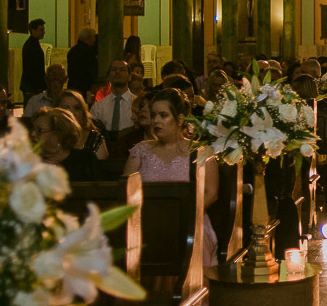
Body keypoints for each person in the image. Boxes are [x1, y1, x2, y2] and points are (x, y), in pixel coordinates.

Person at [124, 89, 217, 267]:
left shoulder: (201, 151)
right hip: (146, 223)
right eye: (154, 115)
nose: (156, 121)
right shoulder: (141, 150)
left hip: (190, 222)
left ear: (180, 119)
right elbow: (126, 190)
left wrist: (181, 218)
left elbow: (210, 193)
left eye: (163, 115)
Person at [29, 107, 99, 182]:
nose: (33, 134)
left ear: (59, 133)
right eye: (33, 129)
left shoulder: (84, 160)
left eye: (40, 130)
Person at [57, 89, 109, 162]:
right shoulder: (49, 137)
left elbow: (101, 167)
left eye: (77, 108)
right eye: (65, 108)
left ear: (83, 113)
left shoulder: (94, 139)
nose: (72, 112)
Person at [91, 60, 135, 141]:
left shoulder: (137, 103)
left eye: (122, 70)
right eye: (114, 69)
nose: (117, 72)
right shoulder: (98, 107)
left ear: (129, 76)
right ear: (108, 76)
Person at [20, 18, 47, 101]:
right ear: (33, 30)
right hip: (32, 86)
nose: (44, 32)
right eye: (41, 30)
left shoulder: (31, 44)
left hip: (30, 85)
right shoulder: (32, 46)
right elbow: (34, 68)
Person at [67, 27, 99, 96]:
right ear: (88, 38)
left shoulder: (72, 50)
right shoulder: (89, 52)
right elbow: (91, 71)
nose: (94, 40)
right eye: (93, 37)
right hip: (85, 87)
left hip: (73, 85)